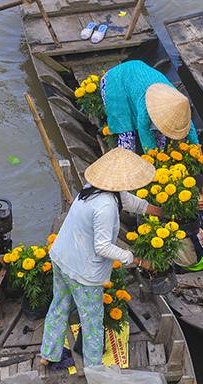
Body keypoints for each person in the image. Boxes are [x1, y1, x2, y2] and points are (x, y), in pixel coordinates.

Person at [40, 147, 158, 367]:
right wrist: (137, 260)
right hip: (82, 271)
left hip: (61, 257)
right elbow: (103, 246)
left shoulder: (93, 189)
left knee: (60, 304)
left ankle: (48, 354)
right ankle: (94, 369)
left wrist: (159, 211)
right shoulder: (106, 206)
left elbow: (132, 202)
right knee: (92, 320)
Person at [100, 60, 199, 152]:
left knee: (160, 136)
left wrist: (197, 150)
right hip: (115, 82)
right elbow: (144, 131)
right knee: (127, 136)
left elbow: (188, 128)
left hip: (138, 74)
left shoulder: (177, 101)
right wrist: (153, 159)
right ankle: (122, 166)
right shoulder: (146, 105)